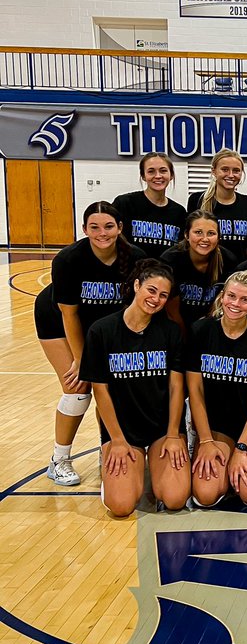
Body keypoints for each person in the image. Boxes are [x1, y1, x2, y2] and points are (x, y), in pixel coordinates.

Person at [35, 202, 144, 487]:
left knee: (112, 386)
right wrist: (82, 361)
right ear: (84, 229)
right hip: (59, 321)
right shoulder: (69, 259)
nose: (102, 233)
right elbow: (69, 314)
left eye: (109, 226)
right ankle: (59, 460)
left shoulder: (135, 258)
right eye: (94, 227)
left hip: (103, 327)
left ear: (120, 228)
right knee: (79, 387)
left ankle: (104, 448)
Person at [80, 260, 190, 516]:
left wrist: (174, 434)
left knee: (175, 499)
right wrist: (116, 439)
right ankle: (114, 458)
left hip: (162, 427)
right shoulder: (102, 330)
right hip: (123, 429)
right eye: (151, 290)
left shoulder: (170, 332)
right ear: (137, 286)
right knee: (121, 506)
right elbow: (101, 391)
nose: (156, 299)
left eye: (163, 295)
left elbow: (176, 388)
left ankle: (154, 465)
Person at [186, 270, 247, 508]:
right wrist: (205, 441)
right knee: (205, 496)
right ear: (222, 296)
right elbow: (195, 392)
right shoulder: (201, 331)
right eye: (232, 296)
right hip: (217, 428)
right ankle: (225, 468)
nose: (236, 304)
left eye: (244, 299)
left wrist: (241, 448)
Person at [161, 210, 237, 333]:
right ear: (186, 235)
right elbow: (171, 311)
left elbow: (222, 304)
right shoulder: (171, 260)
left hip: (210, 323)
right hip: (175, 325)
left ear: (218, 237)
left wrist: (204, 330)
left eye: (211, 233)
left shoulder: (228, 260)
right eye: (198, 232)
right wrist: (186, 339)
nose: (205, 239)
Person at [186, 149, 247, 261]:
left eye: (236, 170)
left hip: (237, 271)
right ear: (214, 171)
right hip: (208, 268)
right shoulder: (197, 200)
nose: (231, 175)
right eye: (225, 169)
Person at [112, 153, 187, 254]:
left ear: (171, 175)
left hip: (165, 269)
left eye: (163, 171)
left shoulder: (179, 212)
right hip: (131, 269)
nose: (158, 176)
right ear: (143, 176)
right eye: (151, 171)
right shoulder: (124, 203)